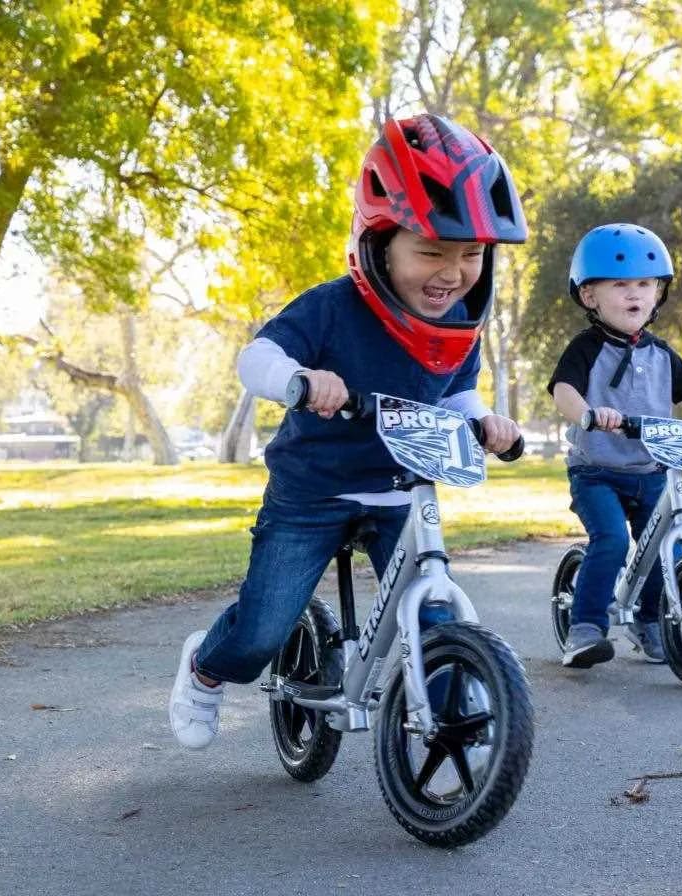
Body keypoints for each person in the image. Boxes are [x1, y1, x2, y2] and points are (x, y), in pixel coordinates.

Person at [169, 114, 528, 749]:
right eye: (431, 251)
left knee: (436, 606)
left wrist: (486, 421)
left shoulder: (459, 325)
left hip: (402, 491)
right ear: (379, 241)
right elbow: (257, 359)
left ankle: (454, 698)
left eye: (470, 254)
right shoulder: (333, 306)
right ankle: (206, 665)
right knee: (262, 631)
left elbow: (459, 393)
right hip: (314, 493)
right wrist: (302, 381)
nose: (453, 272)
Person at [546, 224, 682, 668]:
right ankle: (586, 627)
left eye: (645, 284)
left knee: (666, 546)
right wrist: (590, 415)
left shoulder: (661, 354)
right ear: (589, 296)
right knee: (612, 540)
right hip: (596, 471)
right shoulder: (586, 348)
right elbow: (563, 390)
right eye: (619, 284)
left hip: (651, 470)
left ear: (658, 294)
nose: (634, 293)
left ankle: (651, 623)